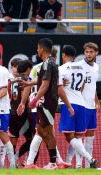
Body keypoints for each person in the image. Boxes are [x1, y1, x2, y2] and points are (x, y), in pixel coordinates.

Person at [20, 38, 70, 169]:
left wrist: (34, 100)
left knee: (48, 131)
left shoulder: (47, 64)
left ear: (42, 49)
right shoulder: (50, 63)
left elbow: (45, 85)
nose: (37, 50)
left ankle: (53, 163)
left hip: (46, 102)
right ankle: (39, 163)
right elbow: (42, 81)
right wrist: (29, 83)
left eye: (38, 47)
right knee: (41, 131)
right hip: (48, 101)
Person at [58, 45, 98, 169]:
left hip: (70, 103)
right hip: (81, 103)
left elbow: (59, 89)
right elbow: (83, 85)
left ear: (63, 55)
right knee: (77, 136)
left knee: (68, 136)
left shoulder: (62, 68)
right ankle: (75, 164)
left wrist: (69, 105)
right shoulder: (82, 68)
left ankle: (89, 158)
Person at [75, 42, 100, 168]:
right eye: (87, 52)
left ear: (96, 53)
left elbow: (93, 86)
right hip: (82, 105)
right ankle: (79, 165)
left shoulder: (96, 66)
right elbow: (77, 87)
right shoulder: (79, 66)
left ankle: (89, 165)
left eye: (91, 52)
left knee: (90, 136)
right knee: (79, 135)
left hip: (91, 105)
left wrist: (97, 101)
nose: (89, 54)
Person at [8, 59, 35, 166]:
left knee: (13, 139)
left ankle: (12, 163)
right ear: (28, 69)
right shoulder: (26, 79)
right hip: (23, 113)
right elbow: (26, 92)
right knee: (31, 140)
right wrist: (23, 103)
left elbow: (9, 96)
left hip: (12, 112)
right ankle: (16, 157)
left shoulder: (13, 80)